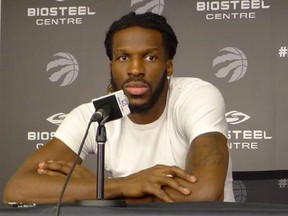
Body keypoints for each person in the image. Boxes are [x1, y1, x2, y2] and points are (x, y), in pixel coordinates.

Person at [3, 12, 235, 204]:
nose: (135, 69)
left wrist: (93, 190)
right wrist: (121, 185)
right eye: (123, 58)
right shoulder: (95, 115)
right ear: (111, 65)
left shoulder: (196, 96)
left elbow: (205, 192)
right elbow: (17, 189)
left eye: (150, 58)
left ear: (169, 66)